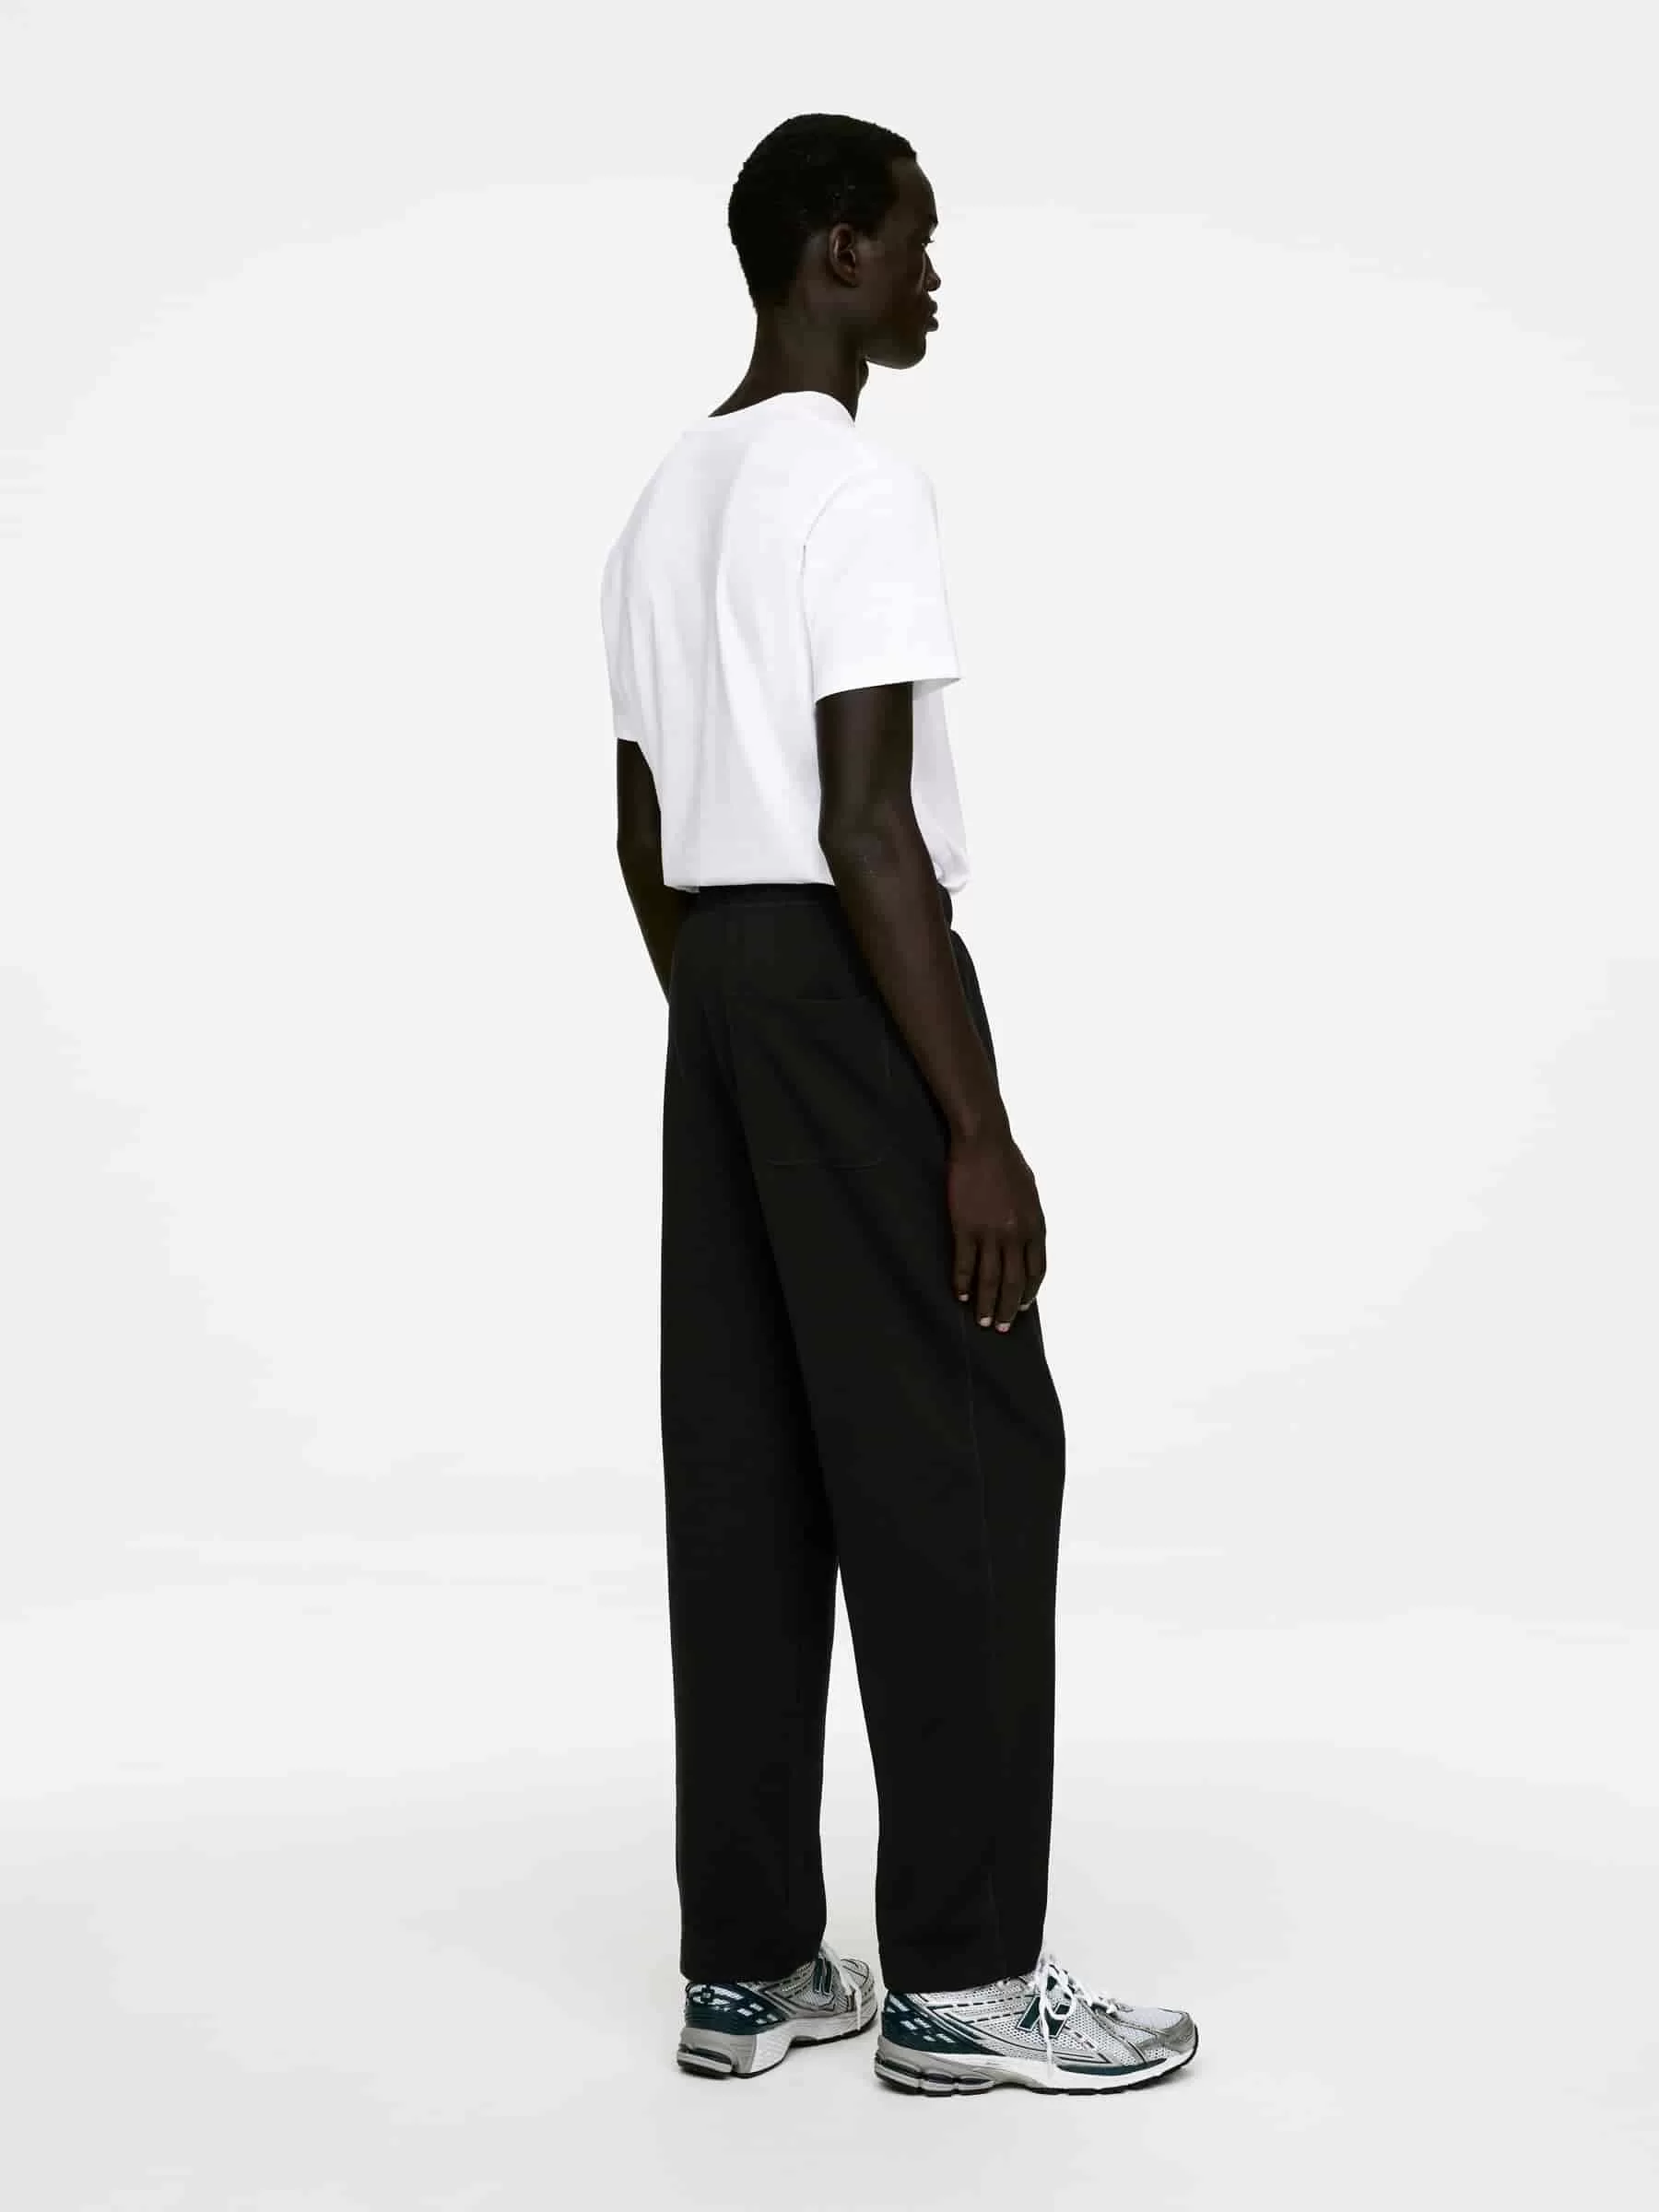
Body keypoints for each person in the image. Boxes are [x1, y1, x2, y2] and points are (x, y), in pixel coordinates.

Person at [599, 112, 1198, 2097]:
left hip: (720, 996)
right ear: (834, 249)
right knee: (969, 1448)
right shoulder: (851, 484)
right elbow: (870, 831)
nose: (937, 278)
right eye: (918, 241)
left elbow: (642, 832)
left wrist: (738, 1029)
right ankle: (964, 1978)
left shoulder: (661, 504)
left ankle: (751, 1962)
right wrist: (970, 1127)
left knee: (750, 1473)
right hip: (845, 975)